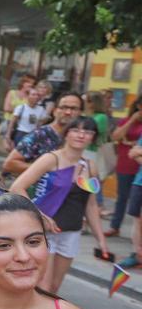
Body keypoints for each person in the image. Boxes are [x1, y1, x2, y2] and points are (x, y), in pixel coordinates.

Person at [10, 116, 108, 293]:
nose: (81, 135)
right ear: (67, 133)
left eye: (87, 132)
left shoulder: (90, 166)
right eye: (76, 130)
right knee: (43, 286)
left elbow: (91, 205)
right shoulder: (51, 159)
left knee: (54, 287)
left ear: (93, 137)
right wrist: (40, 216)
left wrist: (100, 239)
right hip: (44, 230)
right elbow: (17, 187)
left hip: (71, 232)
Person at [2, 92, 84, 177]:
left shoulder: (81, 138)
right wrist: (45, 169)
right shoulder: (40, 134)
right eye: (63, 107)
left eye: (74, 109)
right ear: (54, 111)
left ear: (81, 113)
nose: (68, 112)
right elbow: (9, 164)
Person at [108, 98, 142, 240]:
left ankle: (138, 235)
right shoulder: (126, 120)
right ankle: (115, 226)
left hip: (139, 166)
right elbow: (116, 136)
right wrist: (132, 120)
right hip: (126, 163)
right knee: (122, 197)